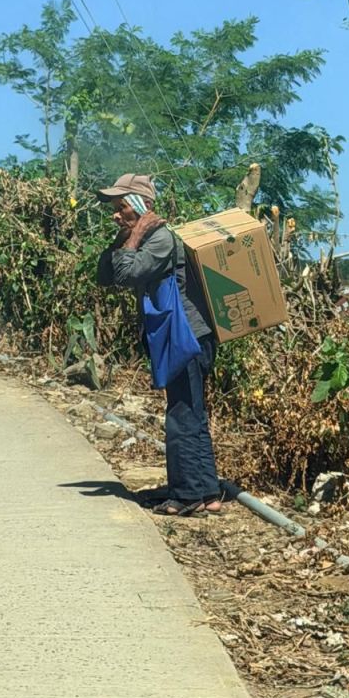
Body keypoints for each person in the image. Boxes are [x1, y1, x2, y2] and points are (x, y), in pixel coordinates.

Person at [96, 173, 222, 516]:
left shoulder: (161, 239)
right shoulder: (141, 238)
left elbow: (127, 275)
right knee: (189, 412)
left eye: (122, 207)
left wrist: (134, 236)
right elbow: (105, 275)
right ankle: (206, 491)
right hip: (179, 336)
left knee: (183, 415)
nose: (115, 214)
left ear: (143, 205)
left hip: (188, 338)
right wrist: (124, 238)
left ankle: (188, 495)